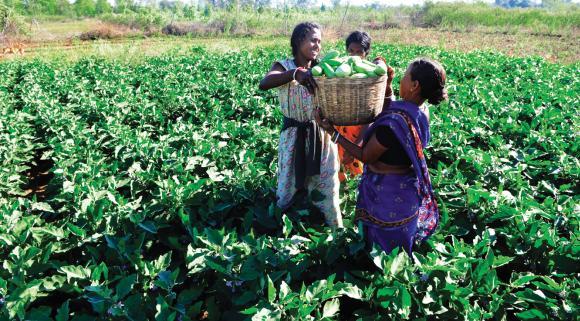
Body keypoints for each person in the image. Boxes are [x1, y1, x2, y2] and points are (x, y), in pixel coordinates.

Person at [315, 58, 447, 254]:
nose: (401, 79)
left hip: (385, 192)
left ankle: (375, 274)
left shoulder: (392, 125)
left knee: (379, 249)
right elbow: (393, 106)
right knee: (399, 250)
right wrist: (389, 85)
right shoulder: (421, 111)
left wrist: (332, 131)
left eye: (404, 76)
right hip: (405, 191)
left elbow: (365, 156)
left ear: (414, 85)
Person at [259, 22, 343, 227]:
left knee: (327, 185)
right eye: (313, 40)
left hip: (321, 136)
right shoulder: (284, 66)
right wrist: (295, 74)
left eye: (320, 42)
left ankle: (333, 230)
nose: (317, 46)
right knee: (288, 185)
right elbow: (265, 83)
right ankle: (279, 230)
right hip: (293, 135)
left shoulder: (323, 69)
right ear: (299, 41)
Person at [336, 31, 396, 182]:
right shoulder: (341, 70)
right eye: (351, 51)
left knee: (357, 169)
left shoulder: (370, 75)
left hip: (360, 130)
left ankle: (356, 195)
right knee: (338, 164)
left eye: (359, 51)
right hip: (340, 127)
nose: (354, 55)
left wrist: (358, 144)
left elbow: (370, 116)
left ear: (366, 53)